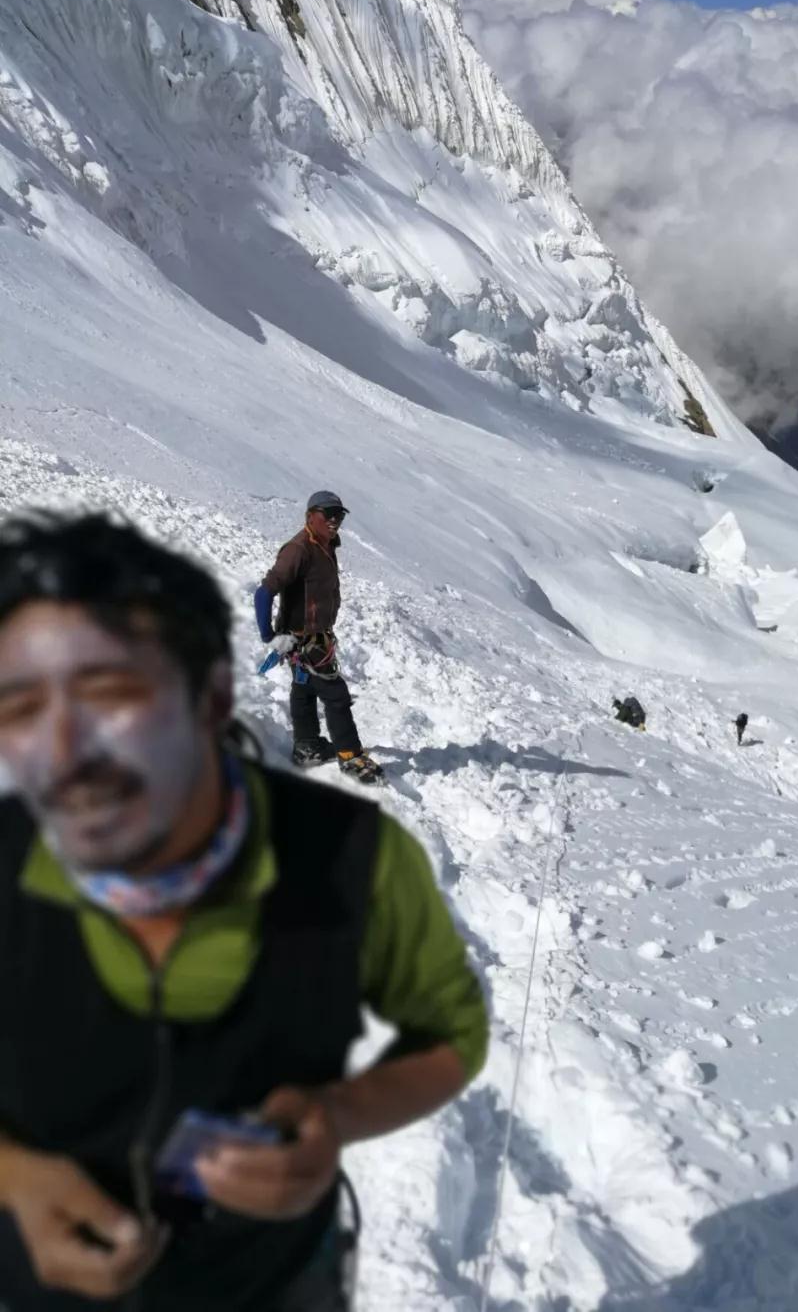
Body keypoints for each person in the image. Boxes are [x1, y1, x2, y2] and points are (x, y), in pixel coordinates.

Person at [0, 511, 489, 1311]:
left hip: (275, 1283)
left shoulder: (350, 860)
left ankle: (321, 740)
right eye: (21, 705)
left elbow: (452, 1031)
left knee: (320, 692)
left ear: (211, 695)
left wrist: (336, 1114)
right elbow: (270, 593)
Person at [255, 491, 380, 782]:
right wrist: (269, 636)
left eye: (340, 515)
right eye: (328, 514)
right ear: (311, 515)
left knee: (305, 689)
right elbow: (264, 593)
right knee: (335, 695)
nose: (335, 520)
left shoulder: (325, 544)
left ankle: (307, 747)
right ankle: (350, 756)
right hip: (302, 640)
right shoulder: (299, 549)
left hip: (311, 638)